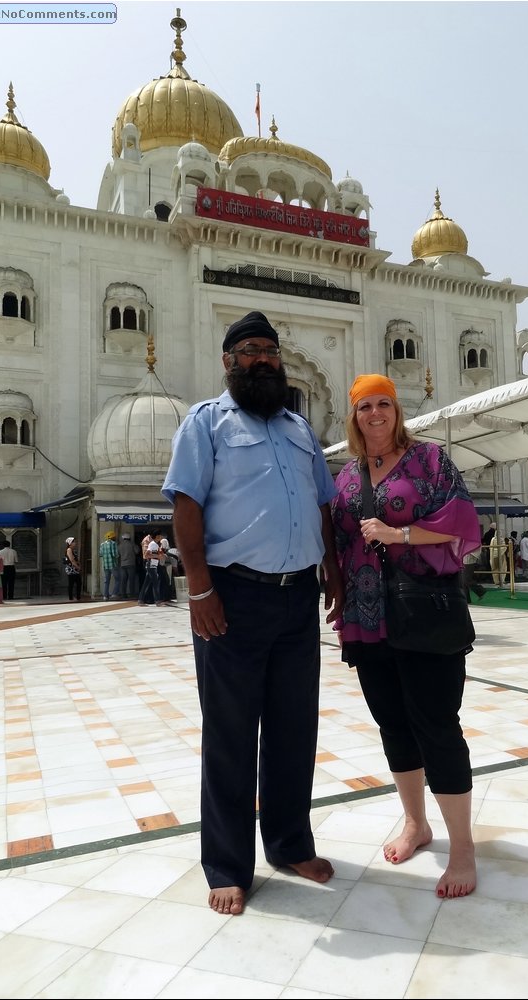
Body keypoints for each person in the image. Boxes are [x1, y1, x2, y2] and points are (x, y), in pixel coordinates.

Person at [161, 309, 344, 916]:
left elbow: (322, 504)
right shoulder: (205, 424)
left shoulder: (298, 429)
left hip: (297, 598)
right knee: (231, 733)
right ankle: (228, 864)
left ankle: (290, 844)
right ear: (228, 361)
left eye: (270, 349)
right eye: (250, 350)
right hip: (233, 598)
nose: (263, 359)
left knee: (295, 729)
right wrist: (199, 588)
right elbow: (186, 505)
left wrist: (333, 573)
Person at [331, 373, 480, 899]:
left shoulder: (429, 461)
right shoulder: (347, 477)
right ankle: (416, 823)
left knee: (436, 725)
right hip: (368, 617)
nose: (375, 414)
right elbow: (340, 540)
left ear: (397, 410)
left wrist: (401, 534)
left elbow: (463, 522)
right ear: (354, 415)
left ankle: (462, 848)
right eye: (365, 406)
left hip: (423, 610)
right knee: (393, 725)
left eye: (384, 405)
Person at [137, 532, 169, 607]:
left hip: (153, 565)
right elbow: (146, 555)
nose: (161, 537)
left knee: (146, 583)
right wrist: (158, 556)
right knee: (155, 583)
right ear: (157, 536)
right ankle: (157, 601)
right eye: (160, 535)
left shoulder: (155, 544)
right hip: (151, 565)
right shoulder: (153, 544)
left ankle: (140, 600)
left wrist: (161, 555)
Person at [99, 530, 121, 600]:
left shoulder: (102, 544)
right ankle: (114, 594)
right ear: (113, 537)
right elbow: (116, 555)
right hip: (113, 565)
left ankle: (105, 596)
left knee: (106, 581)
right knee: (118, 579)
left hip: (105, 565)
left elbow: (101, 554)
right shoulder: (114, 544)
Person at [118, 533, 138, 598]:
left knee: (123, 580)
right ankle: (132, 594)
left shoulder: (120, 545)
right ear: (129, 538)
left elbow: (118, 554)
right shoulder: (132, 544)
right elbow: (137, 551)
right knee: (131, 580)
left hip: (123, 564)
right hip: (131, 563)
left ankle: (123, 595)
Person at [64, 536, 82, 601]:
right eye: (73, 542)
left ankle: (78, 597)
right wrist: (77, 567)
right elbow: (72, 560)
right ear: (70, 543)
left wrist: (79, 564)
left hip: (75, 569)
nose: (75, 543)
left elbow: (76, 559)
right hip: (71, 569)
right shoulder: (69, 550)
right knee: (71, 583)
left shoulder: (73, 550)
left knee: (78, 583)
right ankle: (71, 597)